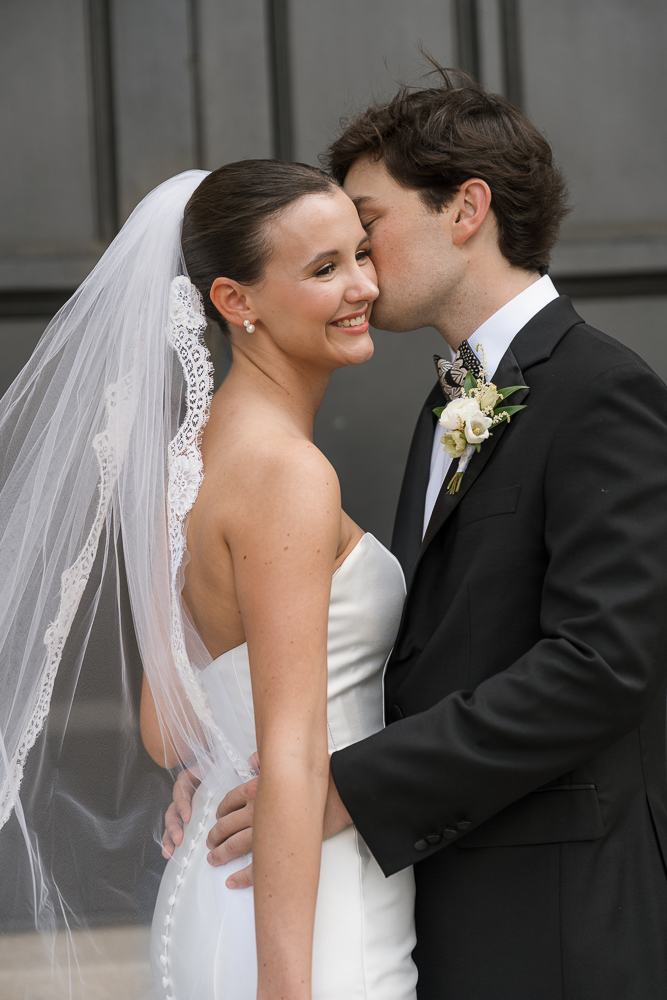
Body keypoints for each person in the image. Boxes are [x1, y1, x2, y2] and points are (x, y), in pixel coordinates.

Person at [169, 69, 667, 998]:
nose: (355, 261)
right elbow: (419, 656)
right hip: (426, 894)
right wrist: (235, 758)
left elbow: (601, 664)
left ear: (465, 209)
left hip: (553, 912)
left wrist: (344, 787)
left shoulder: (602, 393)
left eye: (368, 226)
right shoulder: (442, 407)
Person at [0, 162, 415, 1000]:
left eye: (361, 254)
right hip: (309, 915)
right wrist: (285, 988)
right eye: (324, 269)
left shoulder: (186, 459)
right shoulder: (288, 476)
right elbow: (296, 752)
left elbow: (164, 733)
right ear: (236, 302)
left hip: (214, 883)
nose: (363, 286)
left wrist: (214, 763)